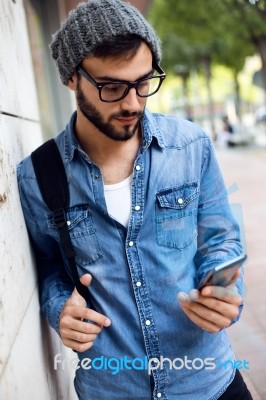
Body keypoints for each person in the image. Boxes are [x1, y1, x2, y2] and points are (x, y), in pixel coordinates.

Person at [17, 1, 252, 399]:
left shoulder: (190, 146)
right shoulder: (37, 175)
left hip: (209, 381)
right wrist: (60, 308)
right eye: (112, 87)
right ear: (73, 78)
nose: (132, 104)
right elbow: (47, 265)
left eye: (143, 83)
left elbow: (221, 240)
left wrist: (226, 293)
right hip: (111, 388)